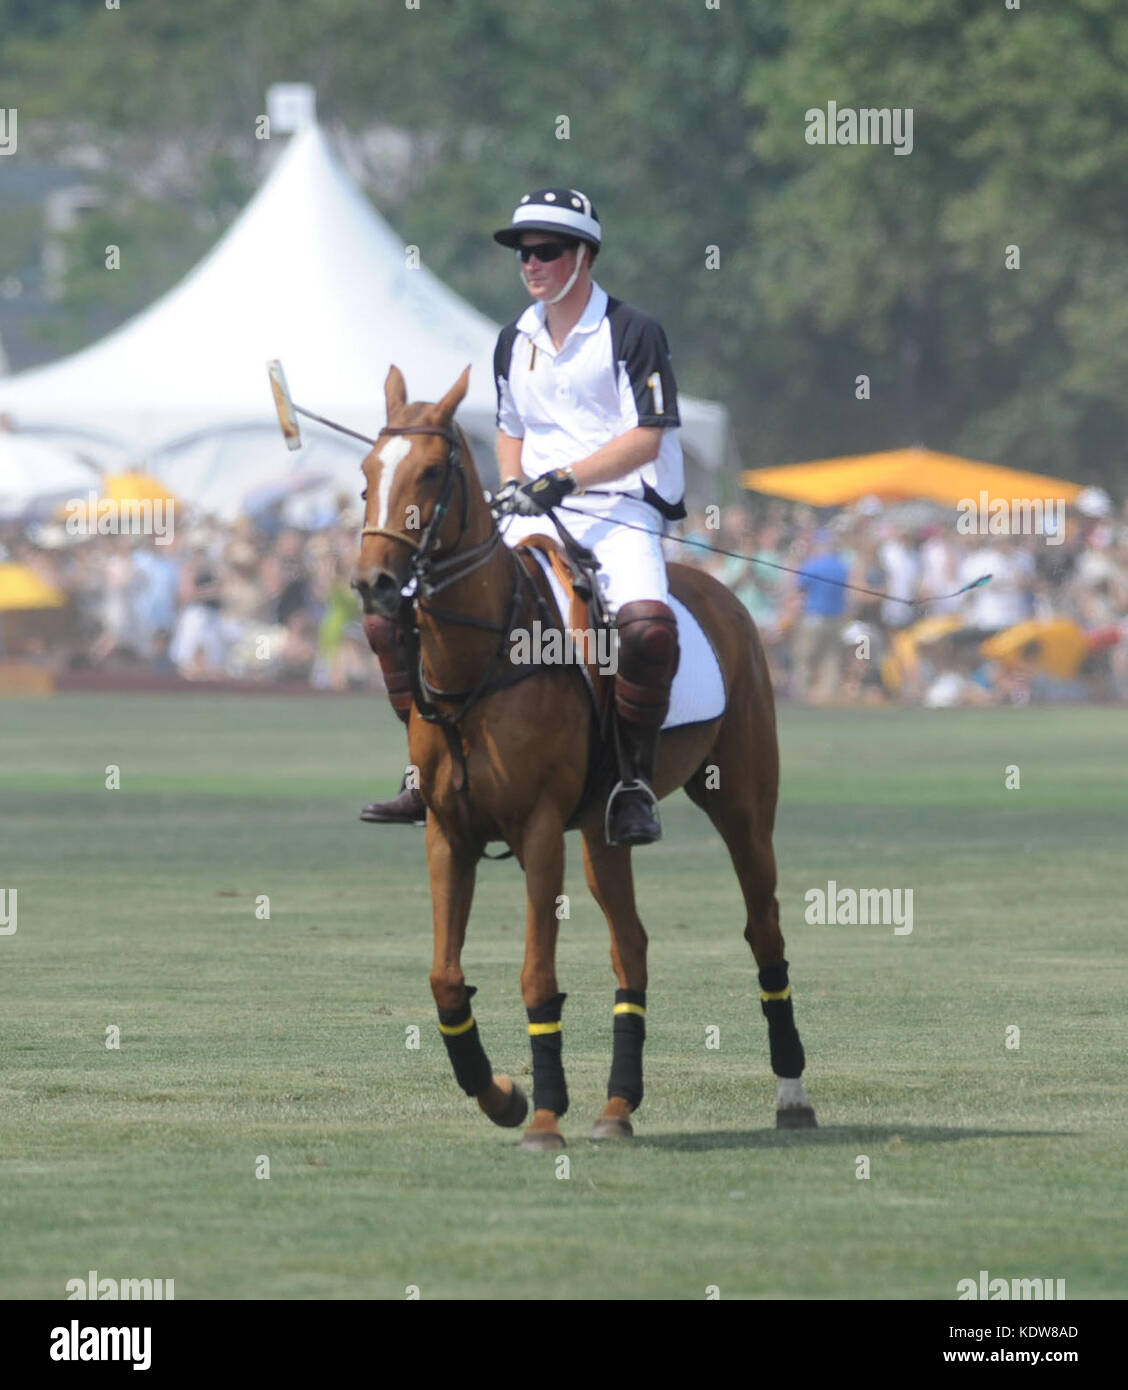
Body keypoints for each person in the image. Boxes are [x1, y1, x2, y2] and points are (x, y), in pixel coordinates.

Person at [361, 187, 685, 846]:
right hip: (528, 507)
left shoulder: (632, 331)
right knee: (390, 615)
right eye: (522, 254)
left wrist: (562, 479)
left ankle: (631, 782)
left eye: (546, 251)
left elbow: (648, 437)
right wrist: (514, 484)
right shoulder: (515, 339)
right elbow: (510, 428)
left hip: (618, 508)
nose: (531, 264)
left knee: (647, 630)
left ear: (583, 256)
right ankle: (423, 770)